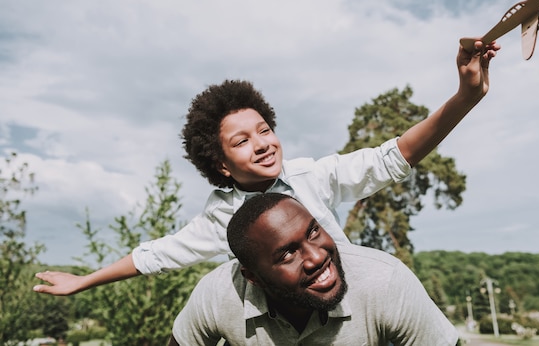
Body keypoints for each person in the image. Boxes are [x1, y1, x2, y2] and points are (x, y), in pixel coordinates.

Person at [33, 40, 500, 296]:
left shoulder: (309, 176)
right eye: (241, 140)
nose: (262, 144)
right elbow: (153, 255)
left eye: (263, 130)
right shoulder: (220, 217)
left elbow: (391, 156)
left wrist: (464, 97)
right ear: (220, 164)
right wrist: (85, 281)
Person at [169, 193, 459, 345]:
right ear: (253, 277)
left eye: (313, 232)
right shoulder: (217, 295)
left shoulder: (385, 281)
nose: (317, 257)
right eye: (287, 253)